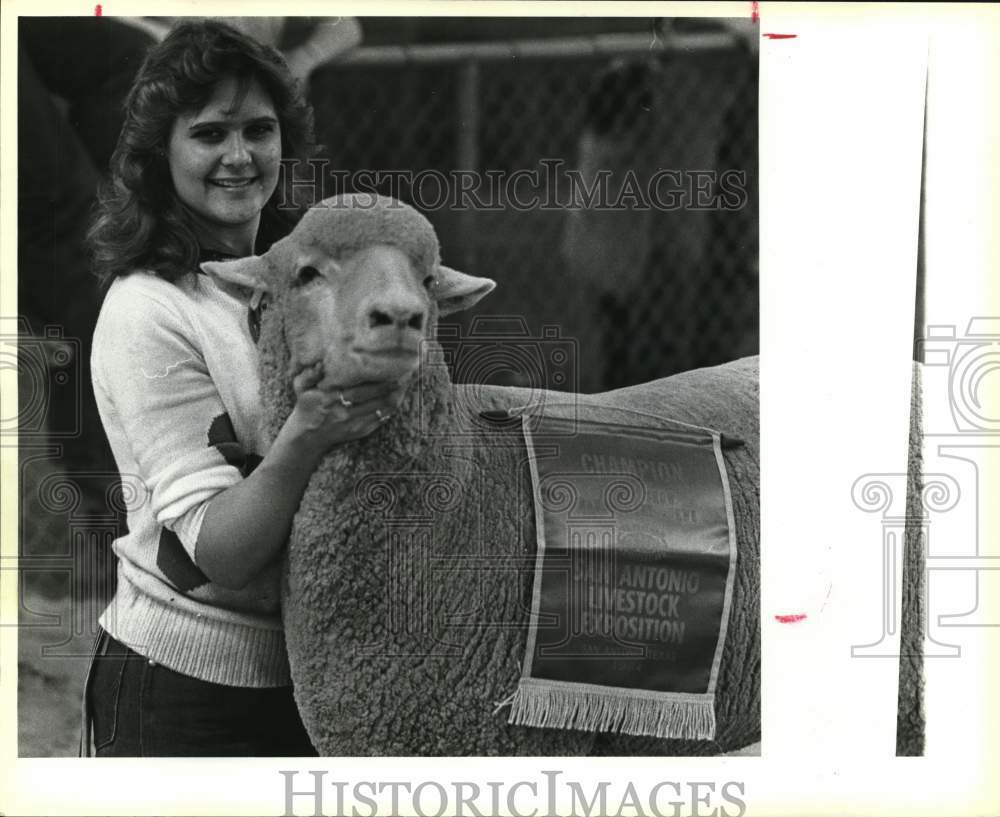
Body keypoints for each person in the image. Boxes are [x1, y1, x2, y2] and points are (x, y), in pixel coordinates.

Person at [82, 20, 403, 757]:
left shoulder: (306, 285)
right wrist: (313, 429)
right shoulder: (149, 308)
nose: (238, 155)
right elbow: (219, 552)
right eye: (209, 133)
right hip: (185, 688)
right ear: (159, 153)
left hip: (311, 676)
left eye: (259, 129)